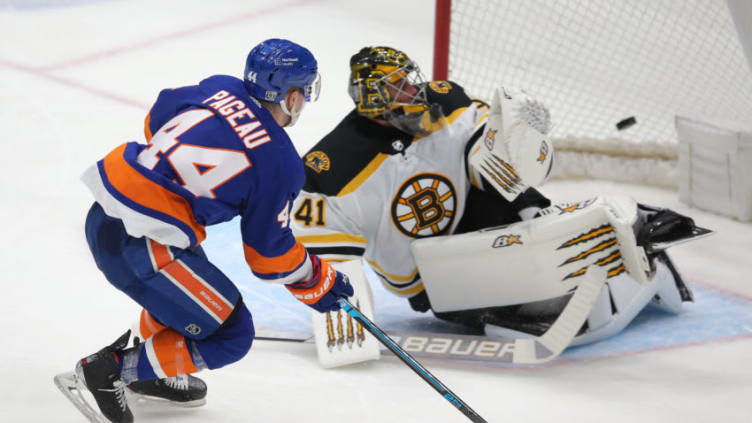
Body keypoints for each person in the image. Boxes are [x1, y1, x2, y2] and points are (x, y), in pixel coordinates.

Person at [291, 46, 697, 344]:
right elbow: (333, 256)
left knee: (526, 214)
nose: (413, 91)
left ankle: (616, 241)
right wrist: (347, 331)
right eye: (398, 87)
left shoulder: (445, 101)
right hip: (425, 271)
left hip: (476, 214)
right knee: (517, 280)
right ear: (373, 99)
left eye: (409, 79)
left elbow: (490, 161)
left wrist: (520, 143)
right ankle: (528, 301)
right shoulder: (333, 165)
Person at [71, 39, 353, 423]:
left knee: (196, 295)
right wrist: (315, 278)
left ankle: (152, 369)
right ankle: (113, 371)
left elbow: (160, 112)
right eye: (302, 93)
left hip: (107, 214)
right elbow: (268, 257)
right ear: (290, 98)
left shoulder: (220, 86)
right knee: (230, 334)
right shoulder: (279, 163)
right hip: (145, 246)